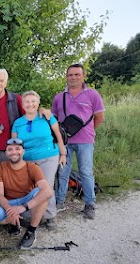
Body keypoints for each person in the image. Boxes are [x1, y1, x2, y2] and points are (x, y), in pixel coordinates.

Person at [52, 64, 105, 219]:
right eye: (70, 75)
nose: (73, 78)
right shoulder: (59, 97)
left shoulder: (93, 95)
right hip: (64, 142)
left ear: (83, 76)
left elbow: (99, 117)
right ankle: (59, 201)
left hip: (85, 141)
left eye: (77, 74)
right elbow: (54, 120)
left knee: (86, 172)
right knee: (63, 172)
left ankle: (90, 204)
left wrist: (89, 132)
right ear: (66, 76)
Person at [12, 91, 67, 229]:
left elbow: (58, 135)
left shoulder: (46, 117)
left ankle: (50, 216)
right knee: (30, 188)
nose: (30, 104)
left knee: (46, 185)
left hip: (48, 157)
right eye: (27, 102)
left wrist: (63, 153)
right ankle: (34, 214)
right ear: (22, 104)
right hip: (28, 160)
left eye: (33, 101)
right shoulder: (18, 123)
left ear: (38, 103)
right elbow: (15, 144)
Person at [0, 138, 53, 249]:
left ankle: (31, 231)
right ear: (6, 153)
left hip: (26, 201)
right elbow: (0, 195)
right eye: (10, 149)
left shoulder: (32, 167)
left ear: (23, 151)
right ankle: (15, 221)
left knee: (41, 192)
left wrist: (22, 207)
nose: (14, 152)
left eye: (17, 149)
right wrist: (10, 210)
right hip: (9, 201)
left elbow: (48, 191)